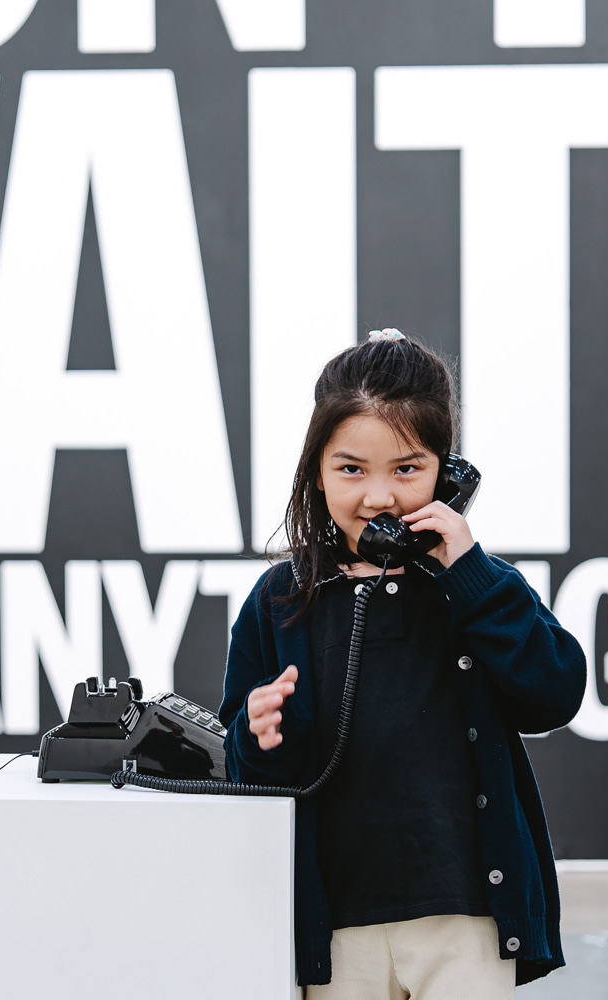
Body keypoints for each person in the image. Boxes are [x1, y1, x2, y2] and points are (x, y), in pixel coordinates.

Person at [219, 328, 587, 998]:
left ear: (448, 473)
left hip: (465, 916)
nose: (379, 497)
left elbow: (554, 693)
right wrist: (258, 734)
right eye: (351, 470)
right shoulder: (281, 599)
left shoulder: (478, 588)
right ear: (316, 470)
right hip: (337, 927)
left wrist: (471, 575)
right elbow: (242, 770)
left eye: (408, 470)